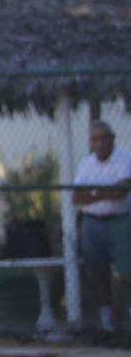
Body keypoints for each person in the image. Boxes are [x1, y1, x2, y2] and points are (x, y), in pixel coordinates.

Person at [71, 119, 131, 344]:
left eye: (103, 138)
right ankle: (107, 324)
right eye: (94, 139)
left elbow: (120, 194)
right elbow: (76, 197)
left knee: (126, 272)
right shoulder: (86, 164)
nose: (99, 143)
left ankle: (124, 319)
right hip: (92, 222)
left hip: (121, 220)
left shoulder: (126, 159)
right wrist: (105, 192)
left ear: (112, 138)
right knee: (97, 272)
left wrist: (93, 193)